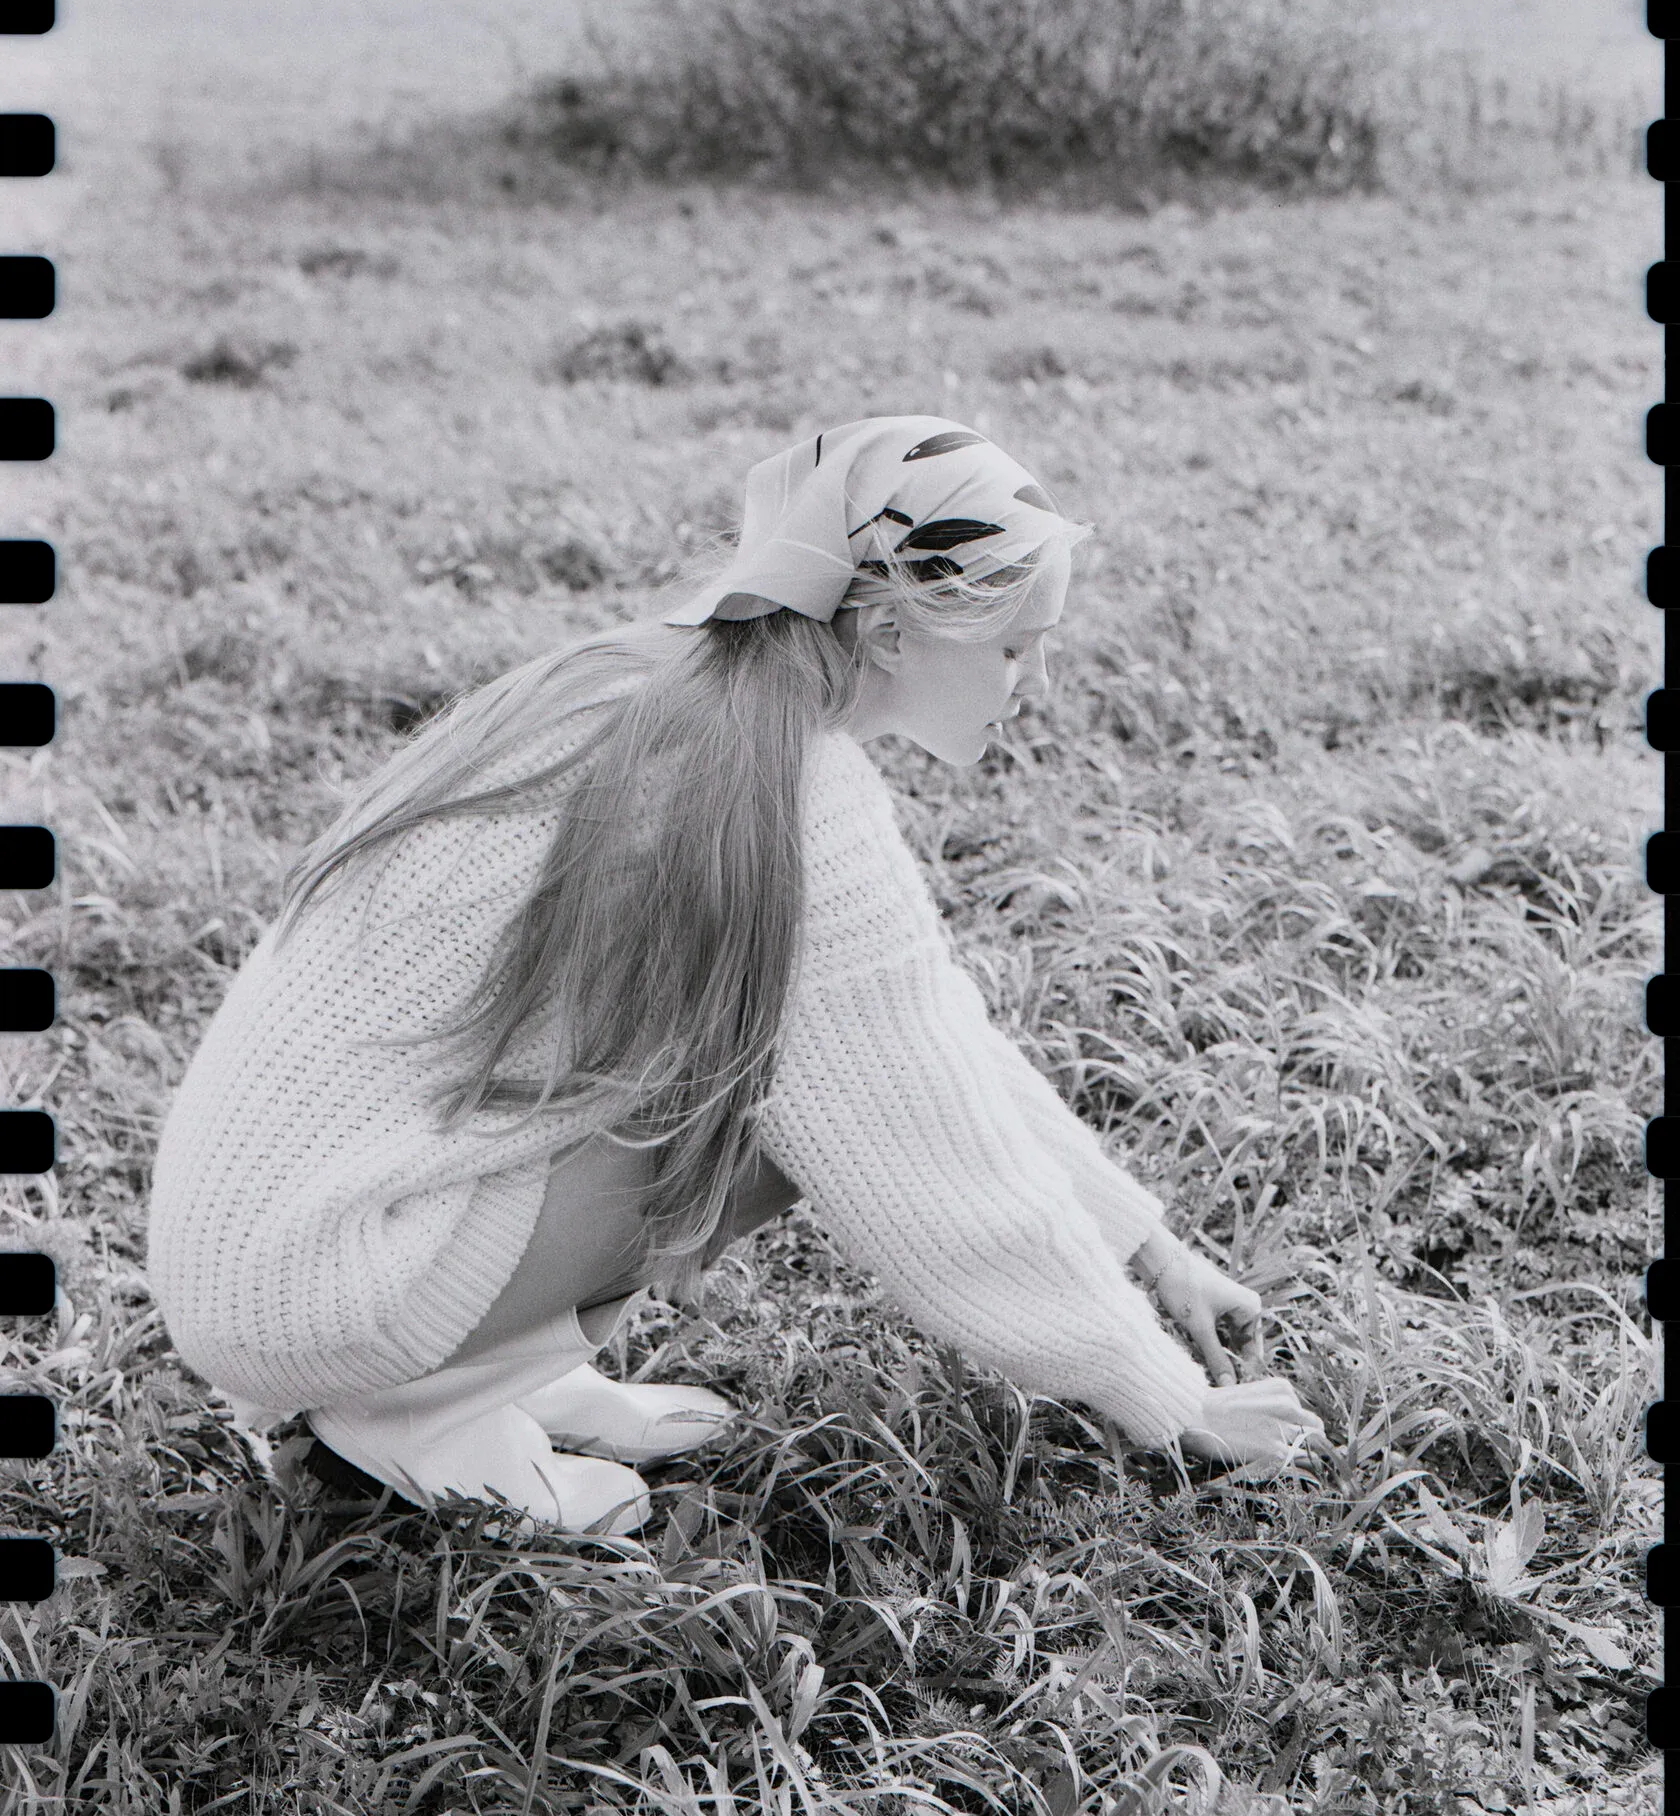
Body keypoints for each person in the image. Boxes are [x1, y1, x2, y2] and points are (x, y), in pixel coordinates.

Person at [145, 415, 1322, 1538]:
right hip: (319, 1278)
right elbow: (925, 1138)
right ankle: (412, 1417)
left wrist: (1150, 1248)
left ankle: (467, 1377)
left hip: (279, 1248)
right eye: (1018, 646)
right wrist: (1170, 1400)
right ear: (896, 632)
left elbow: (927, 1038)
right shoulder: (789, 786)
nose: (1040, 680)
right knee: (768, 1113)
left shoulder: (668, 686)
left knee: (772, 1057)